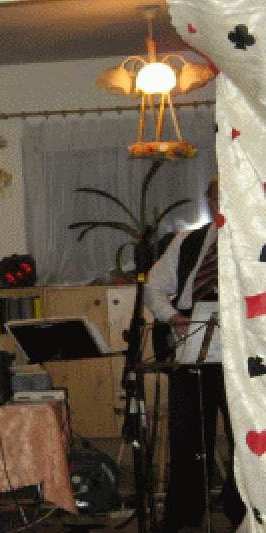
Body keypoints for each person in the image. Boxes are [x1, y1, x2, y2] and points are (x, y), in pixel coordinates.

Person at [144, 176, 245, 532]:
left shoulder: (256, 240)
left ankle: (242, 512)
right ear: (210, 202)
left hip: (242, 356)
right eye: (217, 198)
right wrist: (173, 317)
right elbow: (153, 288)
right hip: (191, 347)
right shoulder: (187, 241)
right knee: (186, 439)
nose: (222, 204)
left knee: (244, 439)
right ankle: (183, 516)